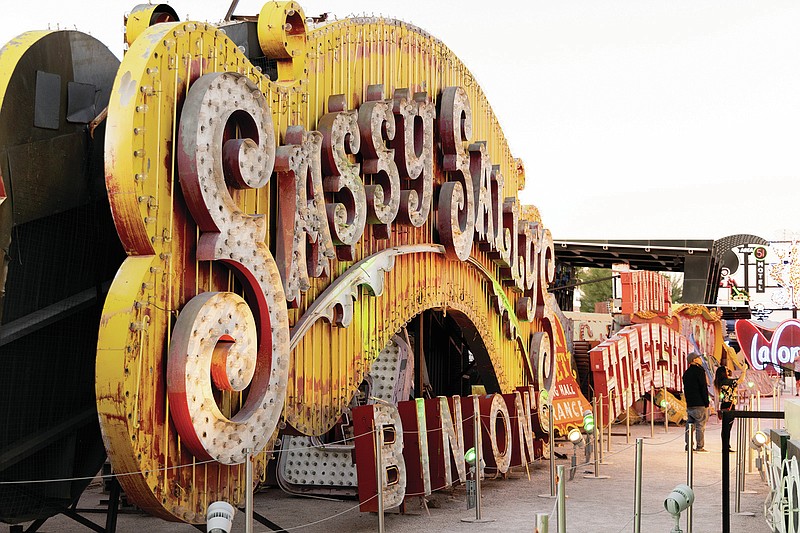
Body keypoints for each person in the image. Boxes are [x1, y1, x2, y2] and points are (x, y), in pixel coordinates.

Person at [683, 352, 710, 452]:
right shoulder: (699, 371)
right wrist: (706, 402)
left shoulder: (686, 373)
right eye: (698, 358)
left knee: (689, 425)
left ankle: (688, 445)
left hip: (690, 403)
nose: (700, 359)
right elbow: (703, 388)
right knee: (700, 426)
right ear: (694, 360)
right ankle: (700, 446)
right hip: (700, 403)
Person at [714, 365, 738, 453]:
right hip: (729, 405)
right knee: (727, 428)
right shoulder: (726, 381)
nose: (729, 371)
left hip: (725, 404)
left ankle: (726, 445)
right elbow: (739, 380)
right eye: (727, 370)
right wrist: (744, 370)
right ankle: (726, 446)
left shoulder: (722, 381)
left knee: (726, 427)